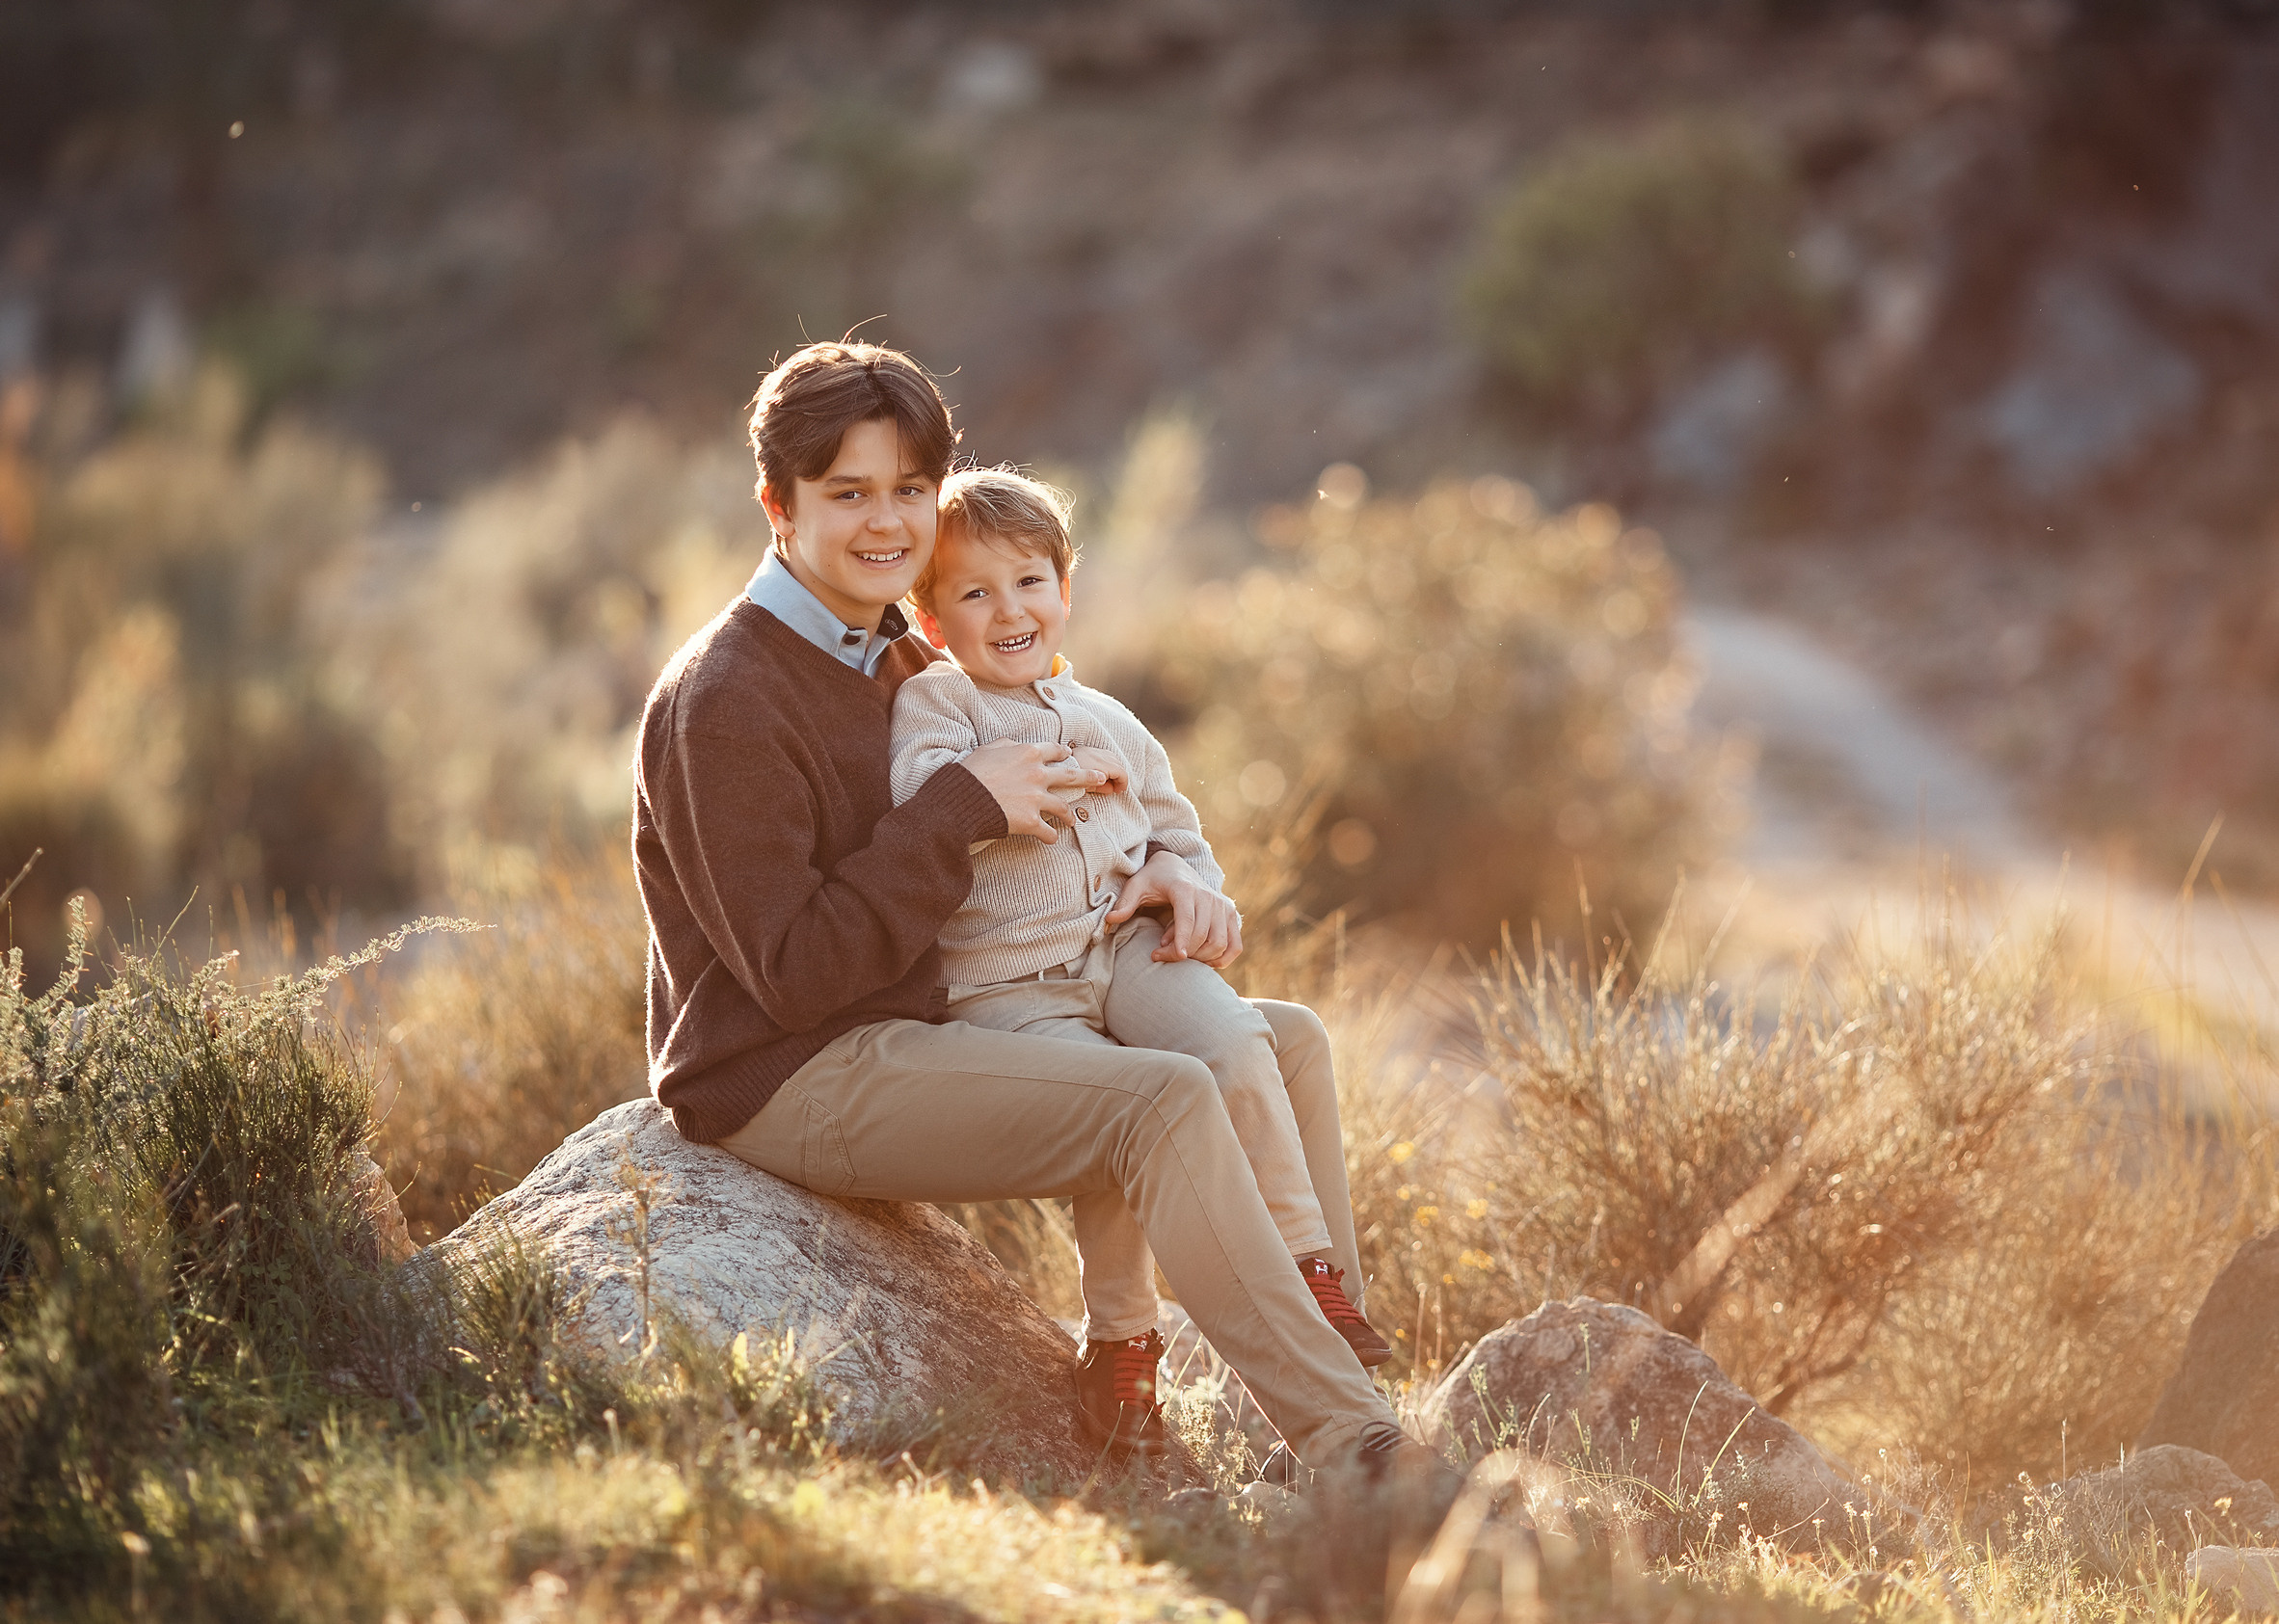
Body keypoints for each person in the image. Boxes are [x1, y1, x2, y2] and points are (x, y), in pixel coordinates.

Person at [632, 338, 1408, 1467]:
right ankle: (1358, 1449)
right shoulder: (729, 698)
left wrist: (1163, 878)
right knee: (1162, 1101)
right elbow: (792, 973)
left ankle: (1320, 1347)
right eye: (848, 493)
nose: (887, 522)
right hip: (793, 1066)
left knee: (1278, 1043)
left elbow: (1056, 812)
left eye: (909, 489)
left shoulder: (895, 646)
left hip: (926, 1012)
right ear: (777, 506)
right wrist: (957, 808)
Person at [888, 466, 1393, 1376]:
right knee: (1126, 1102)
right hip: (1009, 986)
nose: (1009, 609)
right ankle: (1123, 1347)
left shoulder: (1111, 717)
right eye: (975, 592)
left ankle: (1308, 1265)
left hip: (1128, 950)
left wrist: (1189, 881)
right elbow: (924, 794)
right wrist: (1048, 769)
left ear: (1065, 591)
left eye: (1030, 581)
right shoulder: (938, 701)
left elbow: (1179, 832)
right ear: (934, 621)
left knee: (1237, 1041)